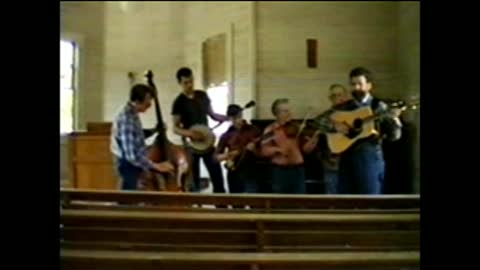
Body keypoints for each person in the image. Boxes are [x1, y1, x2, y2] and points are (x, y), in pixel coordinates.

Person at [330, 67, 402, 194]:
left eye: (360, 84)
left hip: (370, 159)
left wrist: (394, 120)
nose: (356, 88)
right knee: (346, 203)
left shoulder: (379, 106)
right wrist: (335, 126)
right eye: (353, 84)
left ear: (369, 85)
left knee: (369, 201)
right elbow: (319, 122)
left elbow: (394, 136)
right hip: (347, 158)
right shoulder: (344, 107)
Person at [171, 67, 229, 193]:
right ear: (179, 83)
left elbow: (212, 115)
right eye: (186, 83)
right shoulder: (178, 102)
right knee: (194, 181)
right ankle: (195, 207)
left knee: (217, 176)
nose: (190, 85)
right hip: (191, 147)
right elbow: (175, 128)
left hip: (207, 143)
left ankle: (221, 206)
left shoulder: (202, 95)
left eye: (191, 81)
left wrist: (226, 117)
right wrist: (191, 133)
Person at [111, 84, 175, 190]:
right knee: (128, 202)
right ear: (137, 101)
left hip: (132, 165)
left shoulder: (132, 113)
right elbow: (131, 156)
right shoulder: (127, 119)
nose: (150, 104)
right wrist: (156, 166)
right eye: (148, 101)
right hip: (127, 166)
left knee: (132, 201)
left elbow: (136, 136)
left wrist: (154, 130)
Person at [303, 84, 350, 194]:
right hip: (332, 163)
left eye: (340, 94)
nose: (337, 98)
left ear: (346, 96)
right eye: (333, 96)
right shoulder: (325, 116)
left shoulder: (354, 113)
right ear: (330, 99)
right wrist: (336, 127)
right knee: (332, 197)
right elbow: (318, 123)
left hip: (350, 162)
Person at [261, 98, 307, 194]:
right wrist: (278, 150)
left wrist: (313, 142)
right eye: (285, 111)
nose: (290, 113)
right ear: (277, 114)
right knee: (280, 203)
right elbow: (264, 151)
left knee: (299, 202)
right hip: (280, 172)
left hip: (298, 170)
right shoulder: (270, 130)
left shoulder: (296, 127)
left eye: (290, 110)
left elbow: (306, 150)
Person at [215, 104, 262, 194]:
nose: (237, 120)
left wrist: (254, 150)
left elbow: (263, 153)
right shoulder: (226, 135)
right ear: (229, 118)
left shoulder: (254, 130)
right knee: (236, 204)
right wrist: (228, 155)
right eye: (233, 118)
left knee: (254, 203)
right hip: (234, 172)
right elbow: (215, 157)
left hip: (251, 171)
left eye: (239, 116)